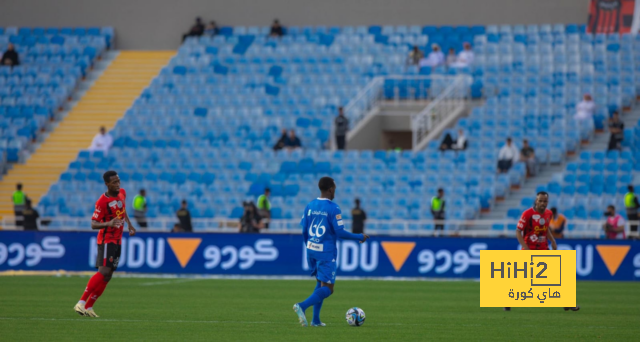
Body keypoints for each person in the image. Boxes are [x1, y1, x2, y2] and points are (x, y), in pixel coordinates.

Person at [293, 177, 369, 327]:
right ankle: (302, 306)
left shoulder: (310, 205)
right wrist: (359, 236)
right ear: (330, 189)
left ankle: (316, 320)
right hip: (326, 252)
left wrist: (308, 246)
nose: (335, 190)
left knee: (320, 282)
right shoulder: (333, 208)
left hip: (312, 249)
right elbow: (339, 232)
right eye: (334, 187)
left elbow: (304, 230)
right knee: (328, 288)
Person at [74, 170, 136, 318]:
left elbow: (122, 209)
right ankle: (81, 302)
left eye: (118, 181)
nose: (117, 184)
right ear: (107, 184)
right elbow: (93, 224)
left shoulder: (122, 193)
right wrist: (109, 223)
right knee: (103, 271)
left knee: (108, 275)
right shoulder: (102, 202)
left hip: (118, 240)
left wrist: (129, 224)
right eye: (114, 182)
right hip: (106, 239)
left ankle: (89, 307)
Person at [505, 192, 579, 312]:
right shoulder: (527, 214)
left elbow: (546, 229)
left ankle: (567, 302)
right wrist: (526, 248)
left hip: (544, 248)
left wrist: (553, 240)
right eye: (541, 201)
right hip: (529, 249)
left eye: (545, 201)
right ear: (536, 201)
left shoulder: (549, 214)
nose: (543, 203)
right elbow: (518, 231)